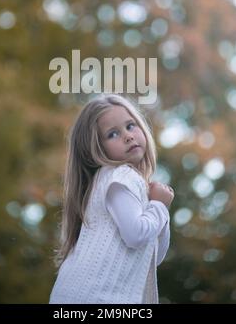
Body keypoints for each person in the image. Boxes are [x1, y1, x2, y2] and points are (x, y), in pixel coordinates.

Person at [49, 93, 174, 304]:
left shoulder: (110, 182)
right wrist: (159, 205)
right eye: (113, 134)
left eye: (131, 125)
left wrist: (158, 208)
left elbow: (154, 256)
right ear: (95, 149)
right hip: (98, 298)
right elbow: (136, 235)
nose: (128, 136)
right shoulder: (120, 176)